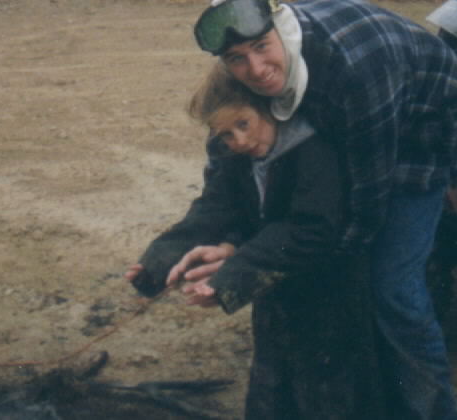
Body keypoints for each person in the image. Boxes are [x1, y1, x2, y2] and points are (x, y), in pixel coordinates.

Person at [190, 0, 457, 420]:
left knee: (389, 286)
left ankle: (432, 410)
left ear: (282, 28)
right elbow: (226, 168)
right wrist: (231, 241)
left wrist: (302, 260)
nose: (256, 69)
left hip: (415, 125)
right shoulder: (244, 66)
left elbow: (366, 207)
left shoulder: (353, 73)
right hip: (344, 104)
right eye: (238, 58)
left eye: (262, 48)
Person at [126, 63, 383, 419]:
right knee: (272, 383)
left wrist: (233, 275)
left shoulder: (314, 149)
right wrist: (160, 261)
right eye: (226, 135)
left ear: (268, 109)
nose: (240, 141)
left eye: (243, 125)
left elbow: (310, 230)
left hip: (330, 292)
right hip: (275, 287)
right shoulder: (236, 155)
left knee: (326, 391)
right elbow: (215, 207)